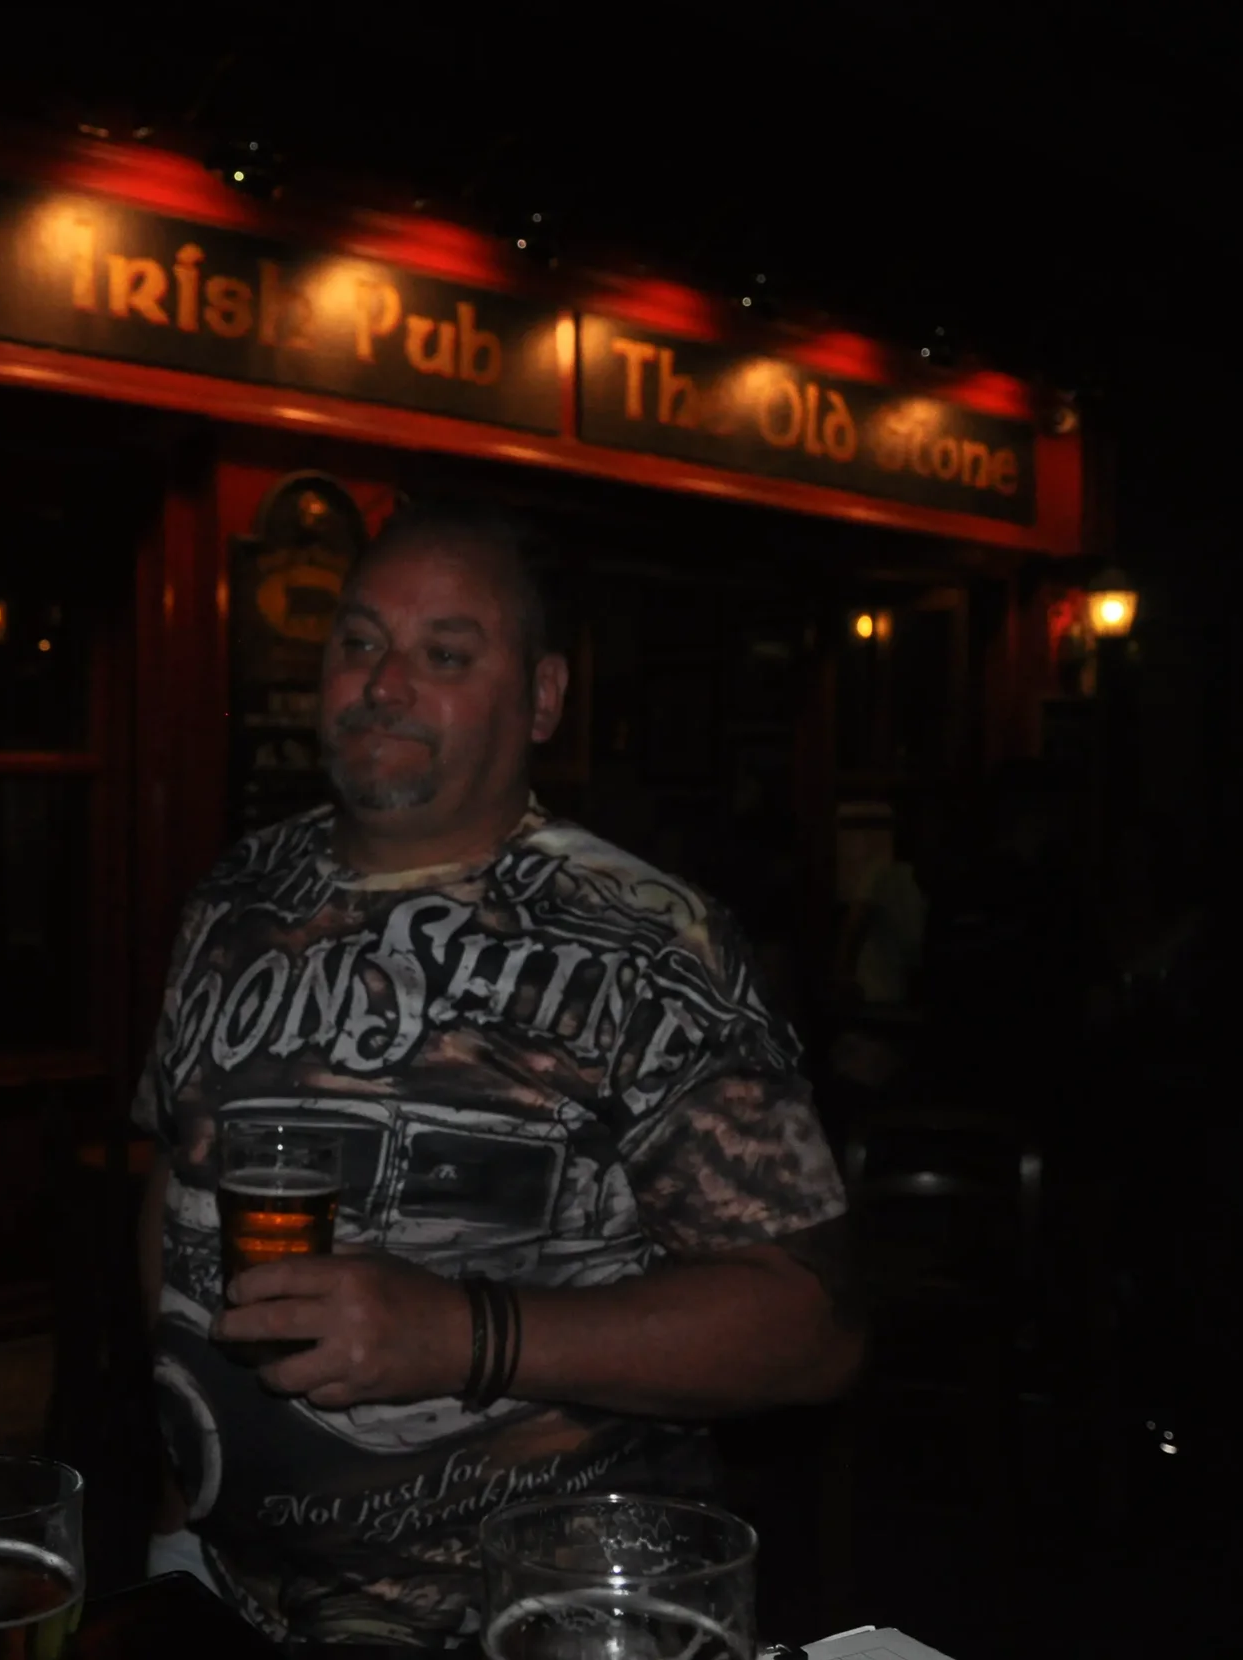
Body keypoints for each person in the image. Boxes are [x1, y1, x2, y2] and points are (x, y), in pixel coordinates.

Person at [134, 509, 861, 1653]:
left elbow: (812, 1327)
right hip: (233, 1601)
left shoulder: (652, 942)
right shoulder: (235, 899)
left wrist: (469, 1333)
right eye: (359, 642)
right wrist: (177, 1507)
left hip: (529, 1619)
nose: (383, 684)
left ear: (541, 699)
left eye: (445, 654)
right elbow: (176, 1191)